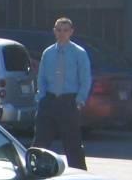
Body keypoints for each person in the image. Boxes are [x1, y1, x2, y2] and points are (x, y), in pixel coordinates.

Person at [33, 17, 92, 170]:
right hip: (49, 100)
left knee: (72, 143)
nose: (62, 33)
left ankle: (80, 175)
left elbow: (85, 78)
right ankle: (36, 170)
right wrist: (41, 98)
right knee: (41, 141)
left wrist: (80, 99)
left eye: (65, 30)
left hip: (69, 101)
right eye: (58, 30)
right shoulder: (48, 53)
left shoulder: (79, 53)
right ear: (54, 31)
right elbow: (42, 77)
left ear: (71, 32)